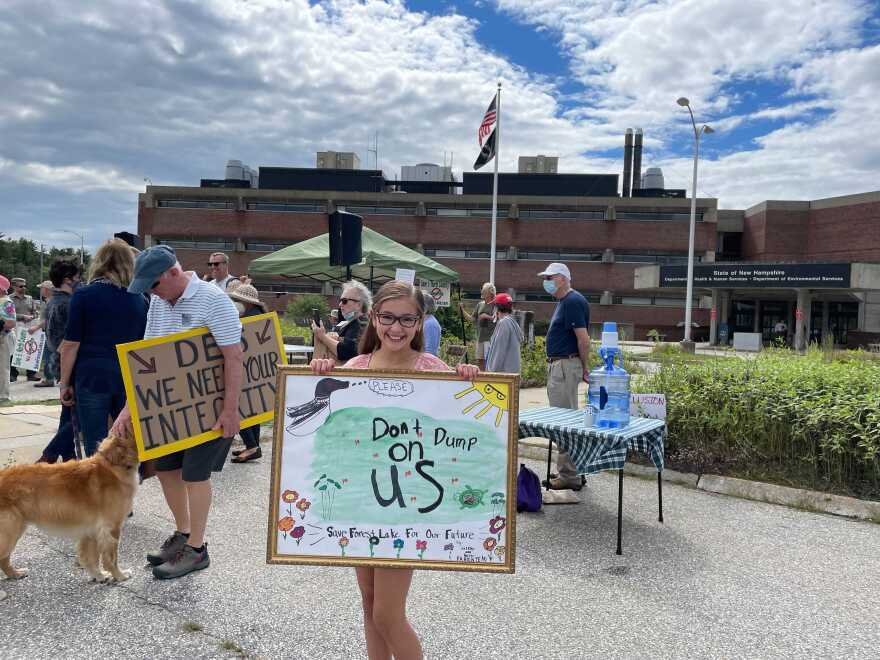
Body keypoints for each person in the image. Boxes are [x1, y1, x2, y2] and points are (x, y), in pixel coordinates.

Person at [311, 280, 478, 660]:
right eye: (388, 317)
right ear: (373, 317)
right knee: (370, 603)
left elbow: (460, 419)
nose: (396, 328)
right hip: (362, 503)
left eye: (407, 319)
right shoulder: (355, 368)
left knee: (387, 614)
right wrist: (319, 371)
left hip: (408, 510)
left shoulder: (433, 369)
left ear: (420, 323)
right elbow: (330, 428)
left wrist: (468, 380)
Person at [110, 245, 243, 580]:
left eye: (153, 285)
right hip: (170, 408)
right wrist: (130, 407)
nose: (151, 293)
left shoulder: (214, 300)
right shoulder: (159, 301)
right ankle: (183, 533)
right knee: (167, 469)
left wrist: (230, 411)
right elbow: (147, 359)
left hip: (207, 407)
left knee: (195, 475)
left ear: (172, 272)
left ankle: (197, 549)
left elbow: (234, 357)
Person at [57, 240, 148, 457]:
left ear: (99, 263)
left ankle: (97, 489)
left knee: (95, 444)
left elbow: (70, 345)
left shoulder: (84, 295)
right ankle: (123, 488)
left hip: (91, 376)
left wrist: (64, 383)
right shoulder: (140, 300)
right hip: (126, 377)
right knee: (125, 442)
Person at [538, 263, 591, 490]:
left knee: (564, 423)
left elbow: (584, 339)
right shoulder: (565, 302)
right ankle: (573, 471)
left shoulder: (572, 301)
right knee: (564, 421)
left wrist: (585, 367)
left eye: (549, 277)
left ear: (562, 279)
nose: (546, 281)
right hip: (560, 366)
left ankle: (569, 476)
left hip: (565, 366)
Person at [36, 260, 81, 463]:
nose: (80, 281)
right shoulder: (67, 304)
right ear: (67, 280)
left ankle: (68, 453)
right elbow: (64, 341)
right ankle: (51, 452)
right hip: (69, 364)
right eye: (77, 278)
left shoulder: (54, 301)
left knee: (68, 411)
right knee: (77, 414)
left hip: (61, 362)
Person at [227, 283, 267, 464]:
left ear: (246, 302)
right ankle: (253, 446)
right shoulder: (256, 316)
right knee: (252, 407)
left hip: (246, 369)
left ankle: (252, 446)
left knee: (241, 406)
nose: (233, 302)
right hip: (253, 370)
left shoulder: (249, 319)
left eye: (236, 299)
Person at [311, 280, 372, 363]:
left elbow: (346, 352)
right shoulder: (349, 322)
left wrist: (322, 337)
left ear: (359, 305)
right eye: (340, 301)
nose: (340, 304)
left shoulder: (362, 323)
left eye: (344, 301)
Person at [459, 282, 496, 370]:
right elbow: (472, 319)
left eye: (484, 290)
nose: (482, 292)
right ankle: (482, 378)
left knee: (489, 360)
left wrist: (486, 316)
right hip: (480, 337)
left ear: (490, 293)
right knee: (480, 360)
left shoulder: (496, 305)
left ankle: (489, 378)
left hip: (490, 338)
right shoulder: (480, 304)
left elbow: (497, 319)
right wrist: (462, 309)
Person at [9, 277, 39, 382]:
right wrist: (22, 316)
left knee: (30, 348)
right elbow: (8, 314)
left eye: (25, 285)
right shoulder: (9, 299)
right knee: (13, 349)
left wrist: (33, 315)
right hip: (15, 326)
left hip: (29, 326)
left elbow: (35, 312)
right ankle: (13, 374)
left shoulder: (30, 298)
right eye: (21, 286)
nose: (24, 288)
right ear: (13, 286)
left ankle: (31, 374)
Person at [485, 293, 523, 373]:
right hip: (512, 374)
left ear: (497, 308)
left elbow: (499, 351)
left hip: (503, 376)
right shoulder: (512, 322)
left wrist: (491, 373)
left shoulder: (504, 323)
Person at [31, 281, 56, 387]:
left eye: (41, 288)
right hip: (51, 332)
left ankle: (49, 379)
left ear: (46, 289)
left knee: (47, 356)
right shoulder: (50, 301)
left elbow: (47, 319)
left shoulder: (51, 302)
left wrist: (35, 327)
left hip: (51, 333)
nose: (40, 290)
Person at [0, 275, 16, 403]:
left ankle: (3, 396)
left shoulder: (6, 302)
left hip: (3, 338)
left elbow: (10, 323)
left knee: (2, 367)